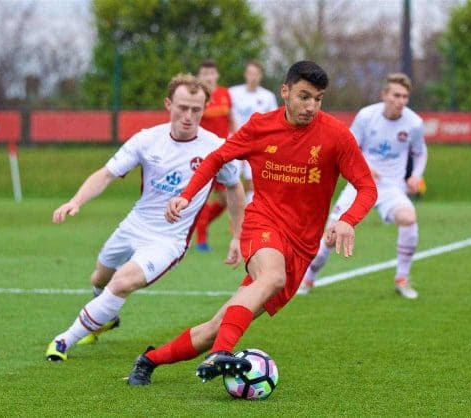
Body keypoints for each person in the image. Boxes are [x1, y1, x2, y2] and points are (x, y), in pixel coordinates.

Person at [125, 61, 377, 386]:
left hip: (301, 246)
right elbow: (217, 158)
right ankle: (221, 353)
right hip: (262, 222)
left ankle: (148, 360)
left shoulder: (336, 136)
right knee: (271, 277)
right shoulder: (260, 127)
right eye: (303, 96)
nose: (310, 106)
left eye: (318, 98)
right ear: (284, 92)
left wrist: (347, 220)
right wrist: (187, 195)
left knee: (215, 328)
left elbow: (367, 187)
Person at [45, 74, 245, 361]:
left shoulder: (215, 148)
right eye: (182, 107)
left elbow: (235, 188)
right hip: (133, 225)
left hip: (168, 239)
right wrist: (76, 201)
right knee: (100, 278)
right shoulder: (147, 139)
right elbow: (106, 174)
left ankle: (65, 339)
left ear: (204, 109)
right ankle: (106, 317)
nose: (189, 116)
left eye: (196, 110)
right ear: (168, 104)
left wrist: (237, 235)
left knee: (122, 282)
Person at [298, 73, 428, 299]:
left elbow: (420, 153)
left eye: (405, 96)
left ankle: (402, 279)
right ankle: (308, 278)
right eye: (396, 95)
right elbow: (349, 148)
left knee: (408, 217)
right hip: (360, 184)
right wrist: (365, 167)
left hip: (391, 188)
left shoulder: (414, 123)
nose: (401, 101)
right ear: (385, 95)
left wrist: (416, 175)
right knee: (330, 236)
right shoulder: (367, 116)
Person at [194, 59, 237, 252]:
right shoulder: (195, 96)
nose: (209, 77)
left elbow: (231, 119)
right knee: (203, 195)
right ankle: (202, 239)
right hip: (200, 153)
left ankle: (197, 224)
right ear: (199, 76)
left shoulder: (225, 93)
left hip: (223, 152)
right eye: (205, 73)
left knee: (224, 200)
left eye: (211, 73)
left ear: (216, 75)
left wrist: (237, 142)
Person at [229, 60, 278, 203]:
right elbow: (228, 116)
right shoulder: (233, 93)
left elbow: (273, 121)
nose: (253, 77)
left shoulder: (268, 96)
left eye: (256, 74)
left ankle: (250, 216)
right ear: (245, 75)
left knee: (253, 182)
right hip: (235, 143)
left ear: (261, 76)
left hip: (258, 145)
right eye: (250, 73)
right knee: (232, 182)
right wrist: (240, 139)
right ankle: (235, 221)